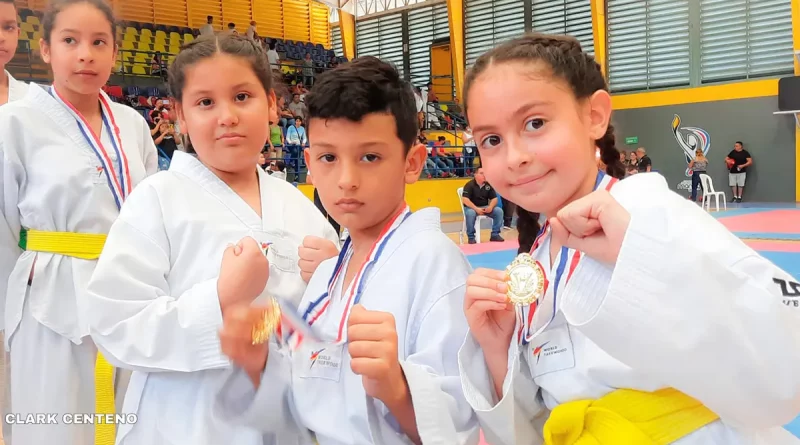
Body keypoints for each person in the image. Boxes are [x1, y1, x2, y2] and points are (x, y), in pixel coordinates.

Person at [458, 33, 800, 445]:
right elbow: (543, 419)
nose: (514, 156)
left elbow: (785, 369)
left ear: (595, 116)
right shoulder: (538, 257)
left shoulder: (647, 210)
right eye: (491, 140)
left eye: (535, 124)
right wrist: (498, 351)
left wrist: (643, 259)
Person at [85, 34, 340, 445]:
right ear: (180, 117)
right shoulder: (156, 200)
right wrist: (220, 298)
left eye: (242, 97)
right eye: (205, 103)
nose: (227, 116)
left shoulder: (299, 208)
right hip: (184, 423)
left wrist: (333, 283)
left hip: (282, 417)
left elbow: (323, 330)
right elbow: (115, 324)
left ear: (272, 106)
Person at [214, 56, 480, 445]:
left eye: (370, 157)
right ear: (309, 164)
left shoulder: (436, 264)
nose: (346, 181)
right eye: (328, 158)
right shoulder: (325, 275)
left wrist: (396, 387)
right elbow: (303, 405)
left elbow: (456, 426)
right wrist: (257, 365)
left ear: (412, 162)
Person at [0, 0, 159, 443]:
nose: (85, 53)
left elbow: (150, 209)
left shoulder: (132, 124)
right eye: (70, 40)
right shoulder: (13, 124)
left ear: (114, 52)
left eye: (98, 42)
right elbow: (3, 227)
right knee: (57, 416)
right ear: (46, 49)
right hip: (49, 294)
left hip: (129, 288)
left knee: (131, 411)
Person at [461, 168, 504, 243]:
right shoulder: (469, 185)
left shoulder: (488, 185)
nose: (484, 175)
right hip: (471, 208)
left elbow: (494, 199)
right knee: (470, 213)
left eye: (485, 173)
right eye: (481, 173)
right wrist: (476, 209)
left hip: (485, 207)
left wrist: (490, 207)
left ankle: (495, 234)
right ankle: (471, 237)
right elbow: (465, 200)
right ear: (475, 175)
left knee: (498, 211)